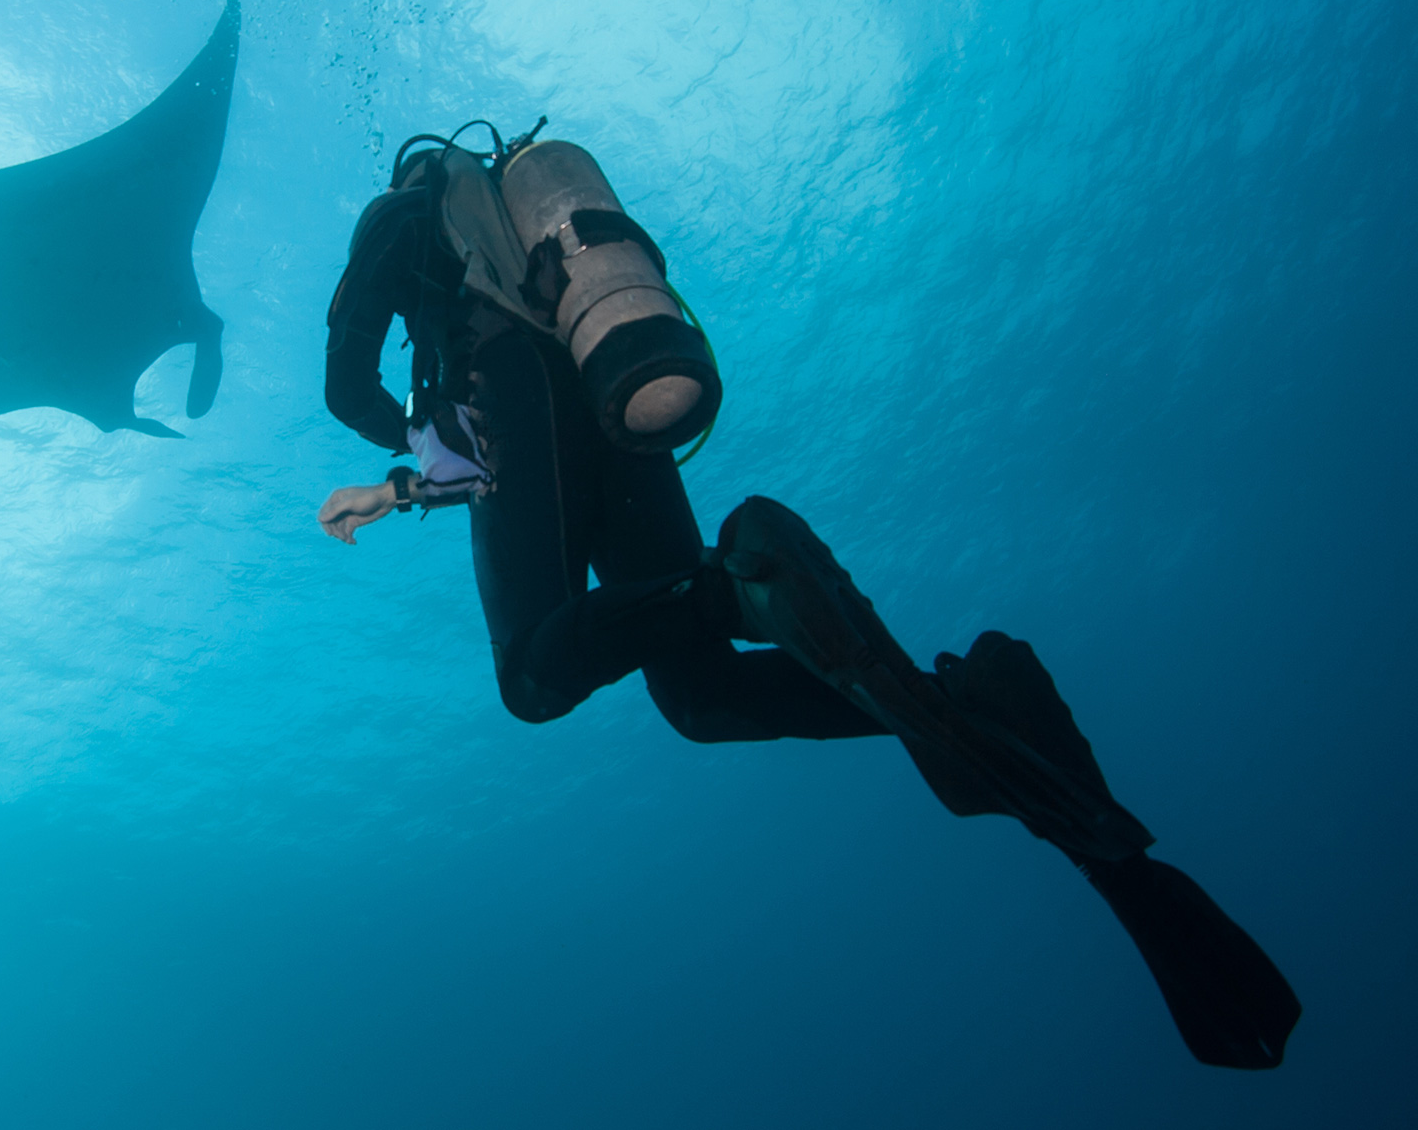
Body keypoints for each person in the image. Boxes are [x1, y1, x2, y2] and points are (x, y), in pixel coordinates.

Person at [316, 122, 1301, 1070]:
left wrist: (404, 457)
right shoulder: (526, 235)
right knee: (702, 699)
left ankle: (734, 592)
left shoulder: (400, 218)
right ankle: (945, 698)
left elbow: (346, 385)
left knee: (533, 678)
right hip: (611, 397)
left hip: (509, 387)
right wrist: (419, 478)